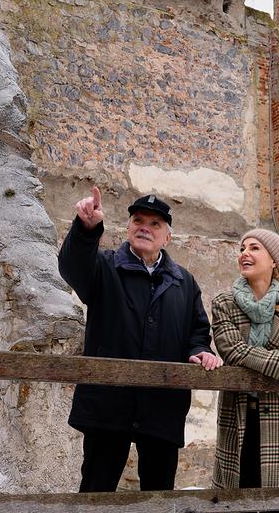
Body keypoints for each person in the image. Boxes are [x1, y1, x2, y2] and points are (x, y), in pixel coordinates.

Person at [58, 186, 223, 492]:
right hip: (107, 404)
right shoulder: (104, 266)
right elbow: (72, 269)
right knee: (96, 491)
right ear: (129, 227)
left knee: (159, 496)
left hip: (162, 406)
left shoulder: (184, 282)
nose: (145, 227)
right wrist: (86, 229)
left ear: (167, 237)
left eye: (155, 224)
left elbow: (197, 331)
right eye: (138, 221)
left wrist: (200, 351)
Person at [210, 228, 279, 490]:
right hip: (238, 411)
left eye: (254, 248)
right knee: (236, 498)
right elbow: (232, 351)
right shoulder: (224, 302)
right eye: (242, 248)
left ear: (274, 260)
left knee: (278, 499)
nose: (245, 253)